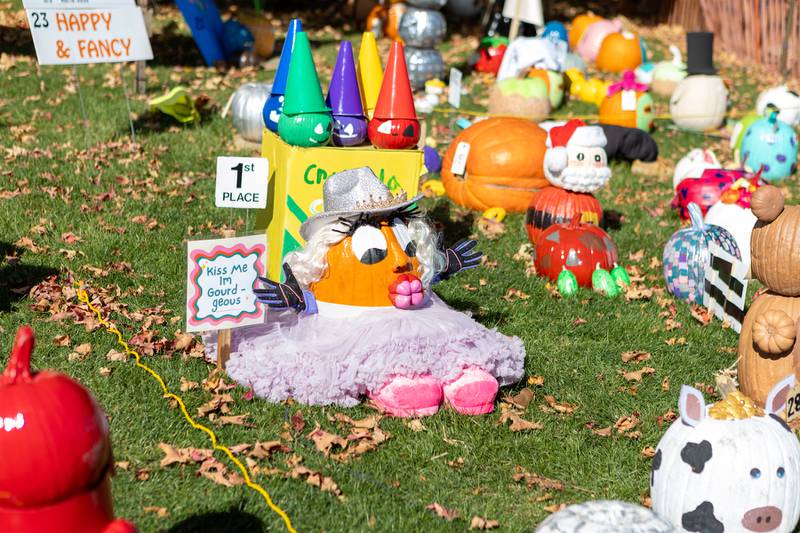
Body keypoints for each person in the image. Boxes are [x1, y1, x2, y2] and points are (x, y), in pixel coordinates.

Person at [208, 167, 525, 417]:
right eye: (376, 250)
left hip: (422, 313)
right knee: (379, 360)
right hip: (355, 323)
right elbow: (317, 295)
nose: (401, 260)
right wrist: (298, 298)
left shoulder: (398, 237)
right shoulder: (339, 249)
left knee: (455, 346)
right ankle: (399, 386)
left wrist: (440, 266)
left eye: (406, 245)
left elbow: (414, 265)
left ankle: (464, 378)